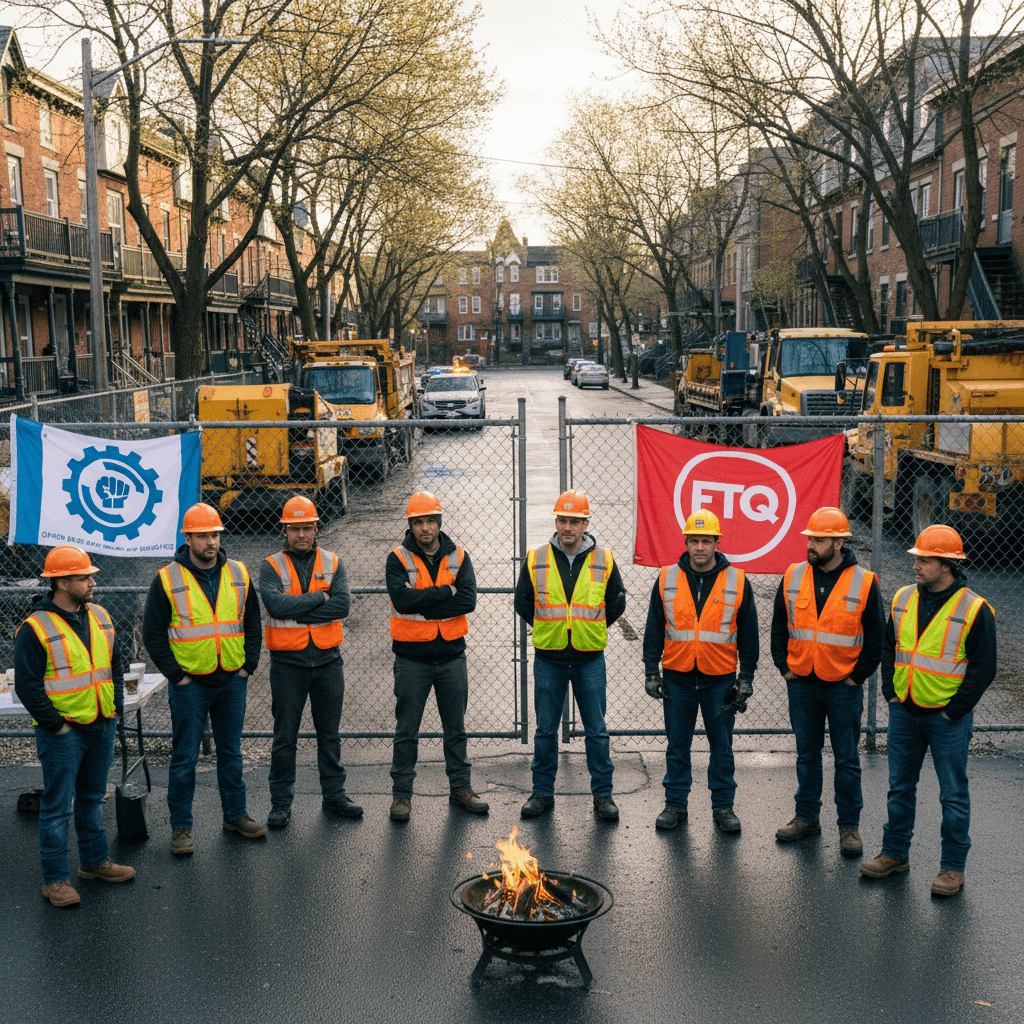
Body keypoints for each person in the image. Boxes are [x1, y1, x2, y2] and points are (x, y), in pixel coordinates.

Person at [860, 525, 996, 897]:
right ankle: (894, 854)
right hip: (905, 709)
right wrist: (890, 692)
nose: (916, 565)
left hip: (946, 718)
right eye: (917, 559)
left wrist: (954, 713)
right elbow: (891, 647)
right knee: (899, 787)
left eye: (924, 560)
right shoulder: (903, 598)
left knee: (952, 794)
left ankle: (952, 868)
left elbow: (984, 669)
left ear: (948, 564)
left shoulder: (974, 609)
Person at [14, 546, 135, 907]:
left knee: (91, 798)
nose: (92, 581)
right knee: (57, 806)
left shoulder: (99, 615)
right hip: (63, 732)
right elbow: (28, 686)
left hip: (100, 724)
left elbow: (114, 665)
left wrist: (112, 707)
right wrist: (57, 726)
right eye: (83, 577)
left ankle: (95, 863)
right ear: (62, 582)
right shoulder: (35, 628)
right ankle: (54, 881)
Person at [142, 502, 264, 855]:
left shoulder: (239, 573)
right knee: (184, 758)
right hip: (190, 686)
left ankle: (235, 815)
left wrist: (247, 666)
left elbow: (252, 624)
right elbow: (153, 634)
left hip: (231, 681)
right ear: (188, 539)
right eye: (203, 536)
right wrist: (177, 677)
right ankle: (181, 828)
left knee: (231, 752)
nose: (211, 542)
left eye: (214, 534)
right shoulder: (167, 579)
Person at [770, 507, 884, 856]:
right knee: (807, 755)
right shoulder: (792, 575)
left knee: (847, 759)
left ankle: (849, 827)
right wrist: (784, 667)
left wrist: (856, 678)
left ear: (838, 543)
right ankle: (806, 818)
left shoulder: (864, 582)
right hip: (802, 681)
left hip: (842, 687)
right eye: (810, 539)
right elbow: (778, 625)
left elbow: (877, 639)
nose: (811, 545)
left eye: (819, 540)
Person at [643, 509, 757, 833]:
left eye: (706, 541)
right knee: (677, 745)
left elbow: (749, 635)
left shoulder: (736, 581)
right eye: (694, 540)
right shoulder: (667, 578)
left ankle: (723, 807)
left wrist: (745, 678)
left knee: (721, 745)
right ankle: (675, 805)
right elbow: (654, 628)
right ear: (686, 542)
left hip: (718, 680)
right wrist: (651, 671)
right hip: (677, 677)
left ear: (717, 543)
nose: (700, 548)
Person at [515, 489, 626, 821]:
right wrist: (553, 628)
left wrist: (586, 628)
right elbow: (523, 602)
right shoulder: (536, 558)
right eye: (562, 520)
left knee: (596, 731)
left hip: (589, 657)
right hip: (549, 657)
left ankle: (603, 796)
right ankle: (542, 793)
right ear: (556, 522)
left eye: (574, 521)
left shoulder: (604, 560)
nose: (567, 527)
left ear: (585, 523)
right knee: (545, 730)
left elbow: (616, 601)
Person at [386, 491, 487, 822]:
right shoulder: (397, 559)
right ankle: (401, 796)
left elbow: (468, 601)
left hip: (451, 657)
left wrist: (425, 603)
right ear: (410, 525)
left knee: (455, 729)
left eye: (430, 521)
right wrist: (446, 592)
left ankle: (461, 789)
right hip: (412, 659)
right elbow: (402, 601)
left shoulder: (458, 555)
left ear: (439, 522)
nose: (425, 528)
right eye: (418, 522)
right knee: (407, 730)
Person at [260, 496, 360, 828]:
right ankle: (281, 802)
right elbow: (276, 606)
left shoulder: (333, 562)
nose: (301, 534)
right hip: (288, 664)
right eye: (294, 529)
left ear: (316, 527)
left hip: (329, 662)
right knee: (284, 736)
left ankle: (334, 796)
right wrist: (319, 597)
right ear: (284, 530)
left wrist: (298, 605)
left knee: (329, 734)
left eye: (307, 527)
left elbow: (343, 605)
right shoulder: (271, 565)